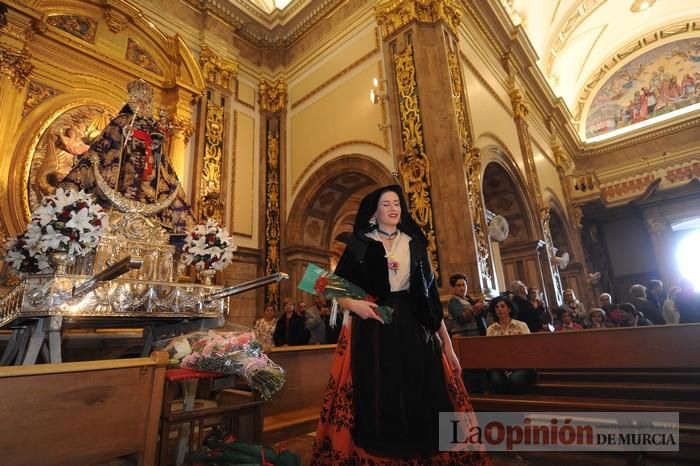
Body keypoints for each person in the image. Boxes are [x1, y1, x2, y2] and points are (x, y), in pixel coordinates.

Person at [311, 185, 489, 465]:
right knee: (380, 389)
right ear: (374, 212)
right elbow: (323, 283)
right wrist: (353, 304)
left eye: (397, 203)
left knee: (421, 388)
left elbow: (430, 300)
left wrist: (448, 346)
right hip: (373, 329)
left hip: (414, 325)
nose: (394, 208)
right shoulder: (360, 243)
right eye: (386, 204)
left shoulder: (415, 243)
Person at [59, 79, 195, 233]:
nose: (143, 103)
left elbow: (162, 161)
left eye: (146, 101)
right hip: (122, 177)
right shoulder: (121, 121)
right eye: (139, 99)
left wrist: (156, 144)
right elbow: (108, 145)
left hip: (147, 179)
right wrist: (125, 136)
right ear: (132, 99)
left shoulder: (154, 127)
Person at [485, 296, 535, 394]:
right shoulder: (490, 329)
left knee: (515, 379)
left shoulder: (521, 326)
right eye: (496, 307)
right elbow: (490, 351)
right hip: (499, 366)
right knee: (496, 380)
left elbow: (528, 348)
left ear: (509, 309)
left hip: (521, 365)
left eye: (502, 306)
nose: (499, 309)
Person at [447, 272, 487, 337]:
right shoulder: (454, 301)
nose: (462, 288)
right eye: (459, 285)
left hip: (476, 335)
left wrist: (483, 308)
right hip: (463, 337)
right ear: (453, 287)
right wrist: (476, 307)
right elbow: (461, 318)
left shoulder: (469, 299)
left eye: (464, 285)